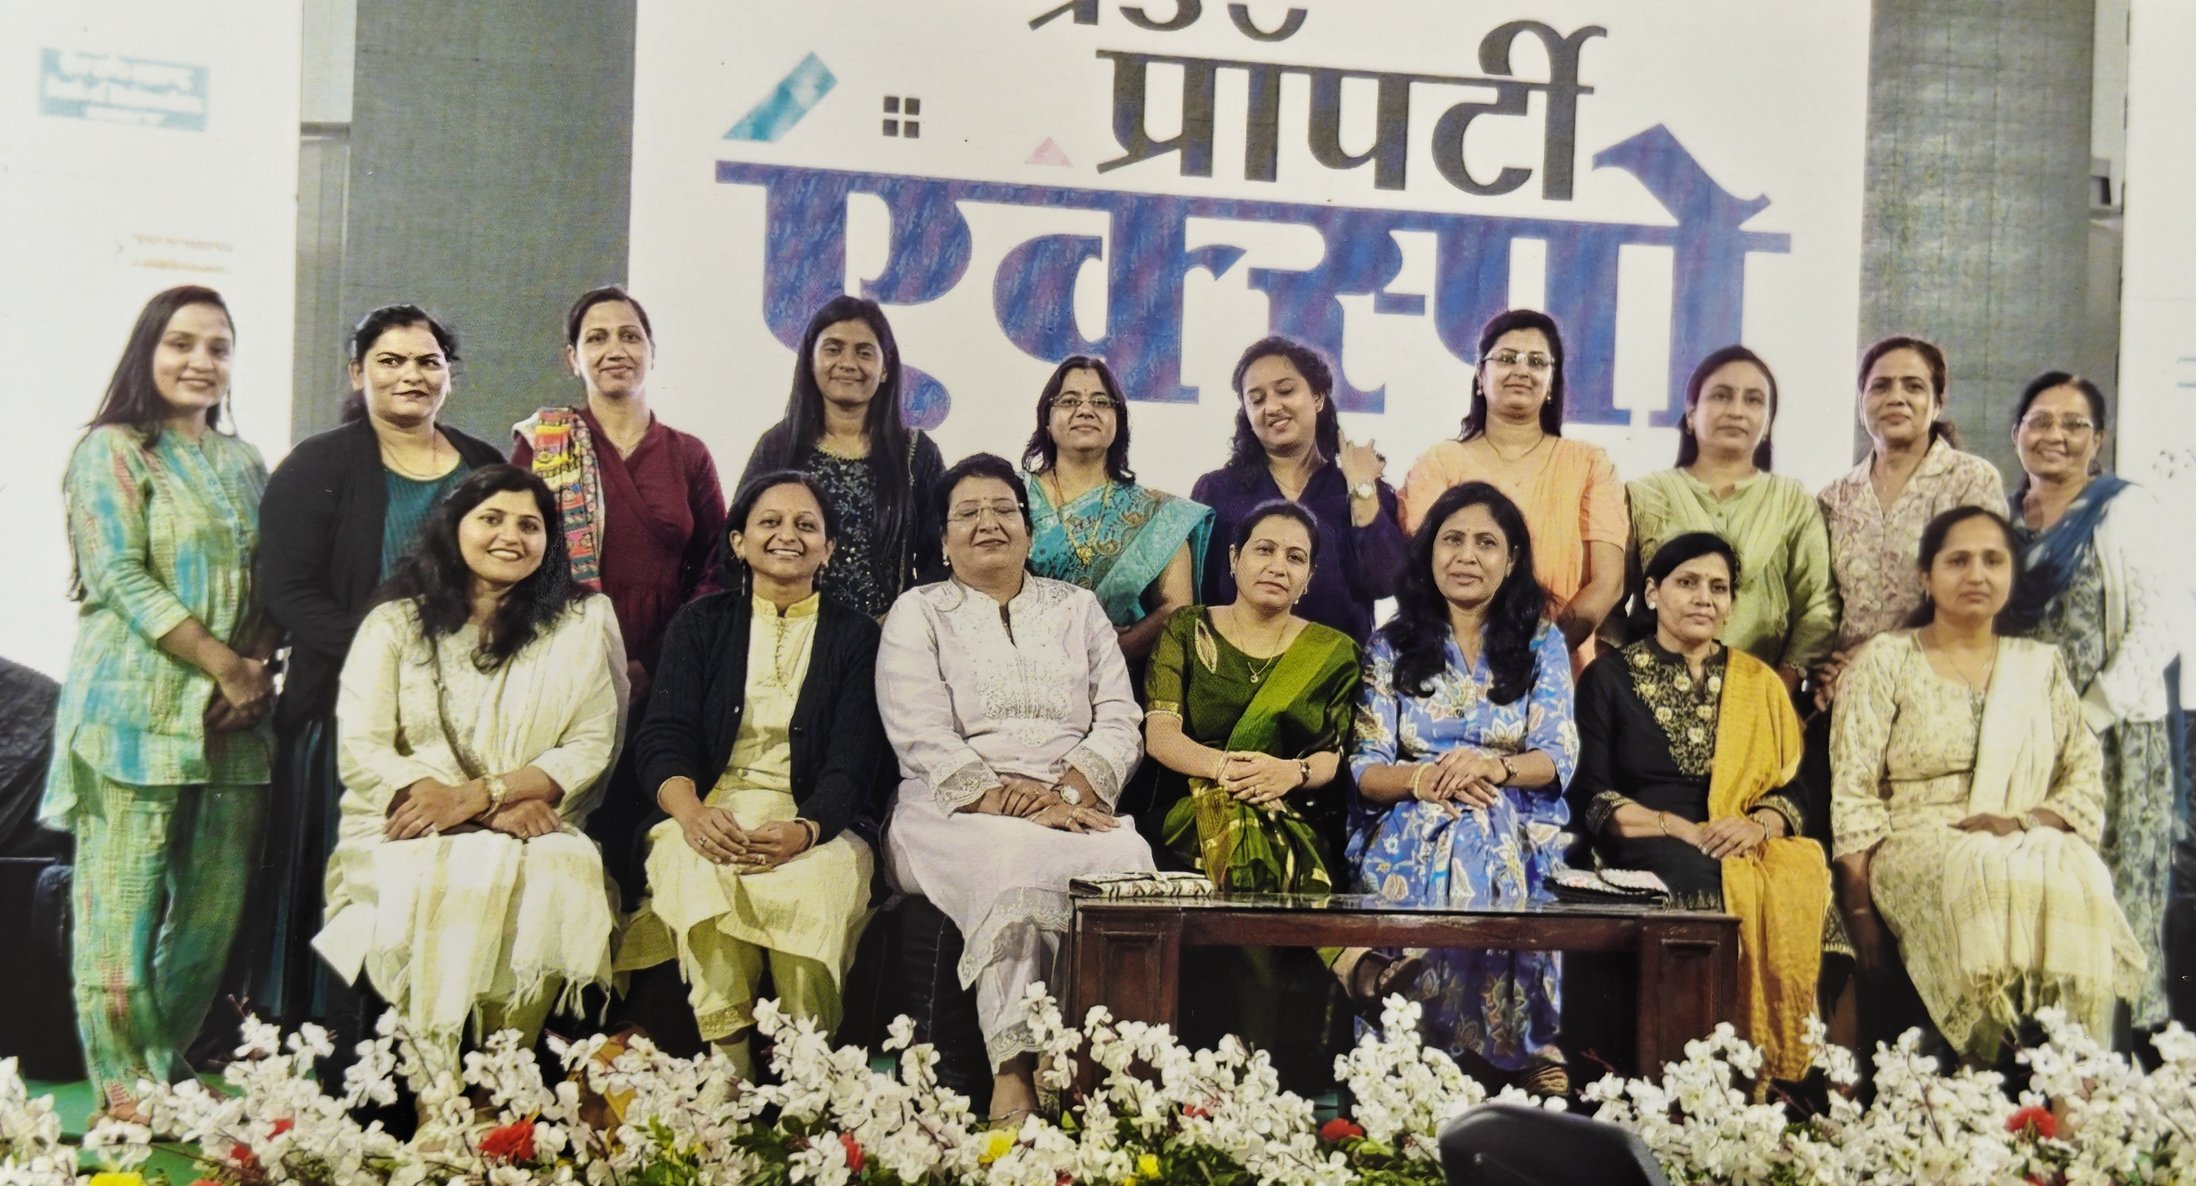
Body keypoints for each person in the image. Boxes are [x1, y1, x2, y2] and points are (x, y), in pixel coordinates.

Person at [44, 286, 278, 1123]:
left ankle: (161, 1068)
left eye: (218, 347)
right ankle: (124, 1088)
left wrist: (254, 666)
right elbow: (117, 574)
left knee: (213, 919)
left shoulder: (246, 462)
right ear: (148, 350)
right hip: (130, 712)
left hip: (235, 724)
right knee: (120, 911)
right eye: (182, 343)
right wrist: (223, 664)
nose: (200, 361)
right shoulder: (109, 449)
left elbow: (275, 577)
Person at [317, 466, 628, 1073]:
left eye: (529, 526)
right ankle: (436, 1089)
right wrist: (473, 810)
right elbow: (363, 744)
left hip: (534, 815)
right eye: (492, 519)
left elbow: (592, 743)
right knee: (442, 873)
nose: (510, 536)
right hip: (408, 818)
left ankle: (503, 1085)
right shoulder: (395, 624)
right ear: (454, 527)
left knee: (561, 866)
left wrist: (485, 797)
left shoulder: (581, 622)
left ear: (549, 542)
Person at [877, 453, 1153, 1124]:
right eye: (967, 513)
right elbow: (917, 729)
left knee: (1130, 860)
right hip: (953, 808)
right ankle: (1015, 1072)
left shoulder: (1077, 608)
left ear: (1029, 532)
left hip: (1071, 800)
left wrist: (1069, 793)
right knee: (1013, 859)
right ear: (943, 539)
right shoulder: (920, 611)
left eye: (1004, 510)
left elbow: (1121, 717)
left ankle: (1111, 1075)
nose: (988, 524)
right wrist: (1005, 798)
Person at [251, 304, 503, 1030]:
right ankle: (336, 1040)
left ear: (449, 375)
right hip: (345, 717)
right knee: (352, 886)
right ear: (357, 373)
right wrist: (387, 662)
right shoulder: (317, 464)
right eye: (390, 361)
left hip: (465, 717)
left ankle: (433, 1035)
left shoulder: (485, 466)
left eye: (428, 361)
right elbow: (287, 591)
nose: (410, 375)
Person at [1831, 506, 2143, 1063]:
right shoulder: (1887, 659)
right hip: (1915, 841)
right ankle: (1981, 1071)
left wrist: (2023, 822)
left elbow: (2083, 775)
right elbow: (1853, 788)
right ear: (1926, 577)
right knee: (1986, 873)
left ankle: (2072, 1084)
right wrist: (1858, 910)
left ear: (2011, 575)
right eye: (1958, 561)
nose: (1977, 574)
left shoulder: (2039, 666)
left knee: (2082, 874)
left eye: (1993, 560)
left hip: (2020, 834)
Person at [617, 472, 889, 1079]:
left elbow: (854, 760)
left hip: (817, 820)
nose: (787, 535)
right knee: (694, 864)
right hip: (710, 806)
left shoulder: (856, 636)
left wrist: (807, 830)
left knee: (814, 884)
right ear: (738, 541)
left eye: (806, 525)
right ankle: (730, 1061)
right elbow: (663, 736)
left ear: (829, 548)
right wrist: (691, 814)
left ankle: (808, 1069)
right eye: (769, 522)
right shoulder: (699, 624)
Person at [1570, 532, 1831, 1082]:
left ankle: (1794, 1086)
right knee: (1701, 888)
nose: (1704, 598)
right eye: (1687, 583)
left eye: (1718, 587)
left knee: (1811, 894)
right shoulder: (1608, 677)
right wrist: (1676, 827)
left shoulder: (1758, 682)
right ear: (1652, 592)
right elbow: (1591, 791)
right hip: (1642, 835)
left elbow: (1795, 784)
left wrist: (1761, 824)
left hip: (1741, 835)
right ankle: (1685, 1081)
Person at [1349, 481, 1578, 1096]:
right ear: (1429, 553)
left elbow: (1556, 756)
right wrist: (1424, 780)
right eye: (1451, 540)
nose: (1467, 556)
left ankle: (1454, 1048)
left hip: (1518, 815)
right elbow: (1367, 769)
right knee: (1454, 826)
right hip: (1408, 814)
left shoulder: (1541, 642)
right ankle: (1487, 1050)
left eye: (1486, 543)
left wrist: (1493, 770)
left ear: (1512, 558)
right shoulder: (1391, 644)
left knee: (1484, 824)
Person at [513, 286, 727, 897]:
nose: (615, 350)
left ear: (652, 351)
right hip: (565, 667)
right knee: (571, 832)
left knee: (648, 836)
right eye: (597, 338)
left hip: (667, 672)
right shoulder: (545, 445)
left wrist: (656, 662)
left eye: (630, 336)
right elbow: (518, 553)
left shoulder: (687, 454)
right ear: (572, 358)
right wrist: (595, 658)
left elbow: (717, 564)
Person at [2006, 372, 2180, 1033]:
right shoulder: (2001, 520)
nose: (2056, 435)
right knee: (2033, 907)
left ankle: (2108, 1067)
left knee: (2110, 904)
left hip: (2112, 742)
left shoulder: (2124, 510)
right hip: (2023, 749)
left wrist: (2091, 715)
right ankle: (2036, 1071)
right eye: (2040, 421)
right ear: (2016, 434)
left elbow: (2162, 623)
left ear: (2098, 440)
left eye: (2074, 424)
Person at [1399, 309, 1626, 669]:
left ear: (1552, 382)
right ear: (1480, 375)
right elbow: (1425, 570)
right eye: (1506, 358)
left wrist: (1540, 654)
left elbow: (1608, 582)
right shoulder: (1439, 464)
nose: (1521, 370)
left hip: (1561, 675)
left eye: (1536, 361)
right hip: (1452, 672)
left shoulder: (1588, 464)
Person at [1618, 347, 1835, 692]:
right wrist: (1618, 690)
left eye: (1753, 400)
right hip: (1651, 695)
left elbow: (1817, 607)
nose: (1737, 410)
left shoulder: (1792, 502)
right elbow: (1611, 606)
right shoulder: (1646, 496)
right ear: (1691, 414)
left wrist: (1778, 691)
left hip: (1761, 692)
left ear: (1768, 424)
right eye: (1721, 396)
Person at [1813, 335, 2007, 711]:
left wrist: (1876, 654)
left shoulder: (1970, 480)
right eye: (1880, 387)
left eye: (1913, 387)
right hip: (1850, 696)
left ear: (1938, 402)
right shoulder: (1835, 497)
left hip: (1941, 690)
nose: (1896, 398)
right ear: (1861, 401)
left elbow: (1977, 595)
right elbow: (1825, 605)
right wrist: (1827, 669)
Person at [1191, 336, 1405, 646]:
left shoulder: (1362, 488)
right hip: (1237, 667)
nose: (1272, 407)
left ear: (1317, 397)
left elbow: (1386, 582)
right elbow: (1198, 598)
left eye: (1285, 390)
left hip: (1339, 670)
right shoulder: (1218, 491)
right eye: (1256, 399)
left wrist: (1361, 488)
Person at [738, 296, 944, 617]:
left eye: (864, 352)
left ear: (885, 368)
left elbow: (939, 558)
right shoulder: (778, 447)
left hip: (887, 636)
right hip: (790, 629)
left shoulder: (916, 454)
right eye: (833, 349)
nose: (848, 363)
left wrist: (907, 624)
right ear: (810, 360)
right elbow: (737, 545)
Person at [1020, 354, 1211, 664]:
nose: (1085, 410)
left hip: (1120, 678)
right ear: (1047, 419)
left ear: (1118, 421)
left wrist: (1109, 652)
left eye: (1101, 402)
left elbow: (1176, 608)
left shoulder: (1158, 513)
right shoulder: (1011, 496)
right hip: (1021, 666)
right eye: (1069, 401)